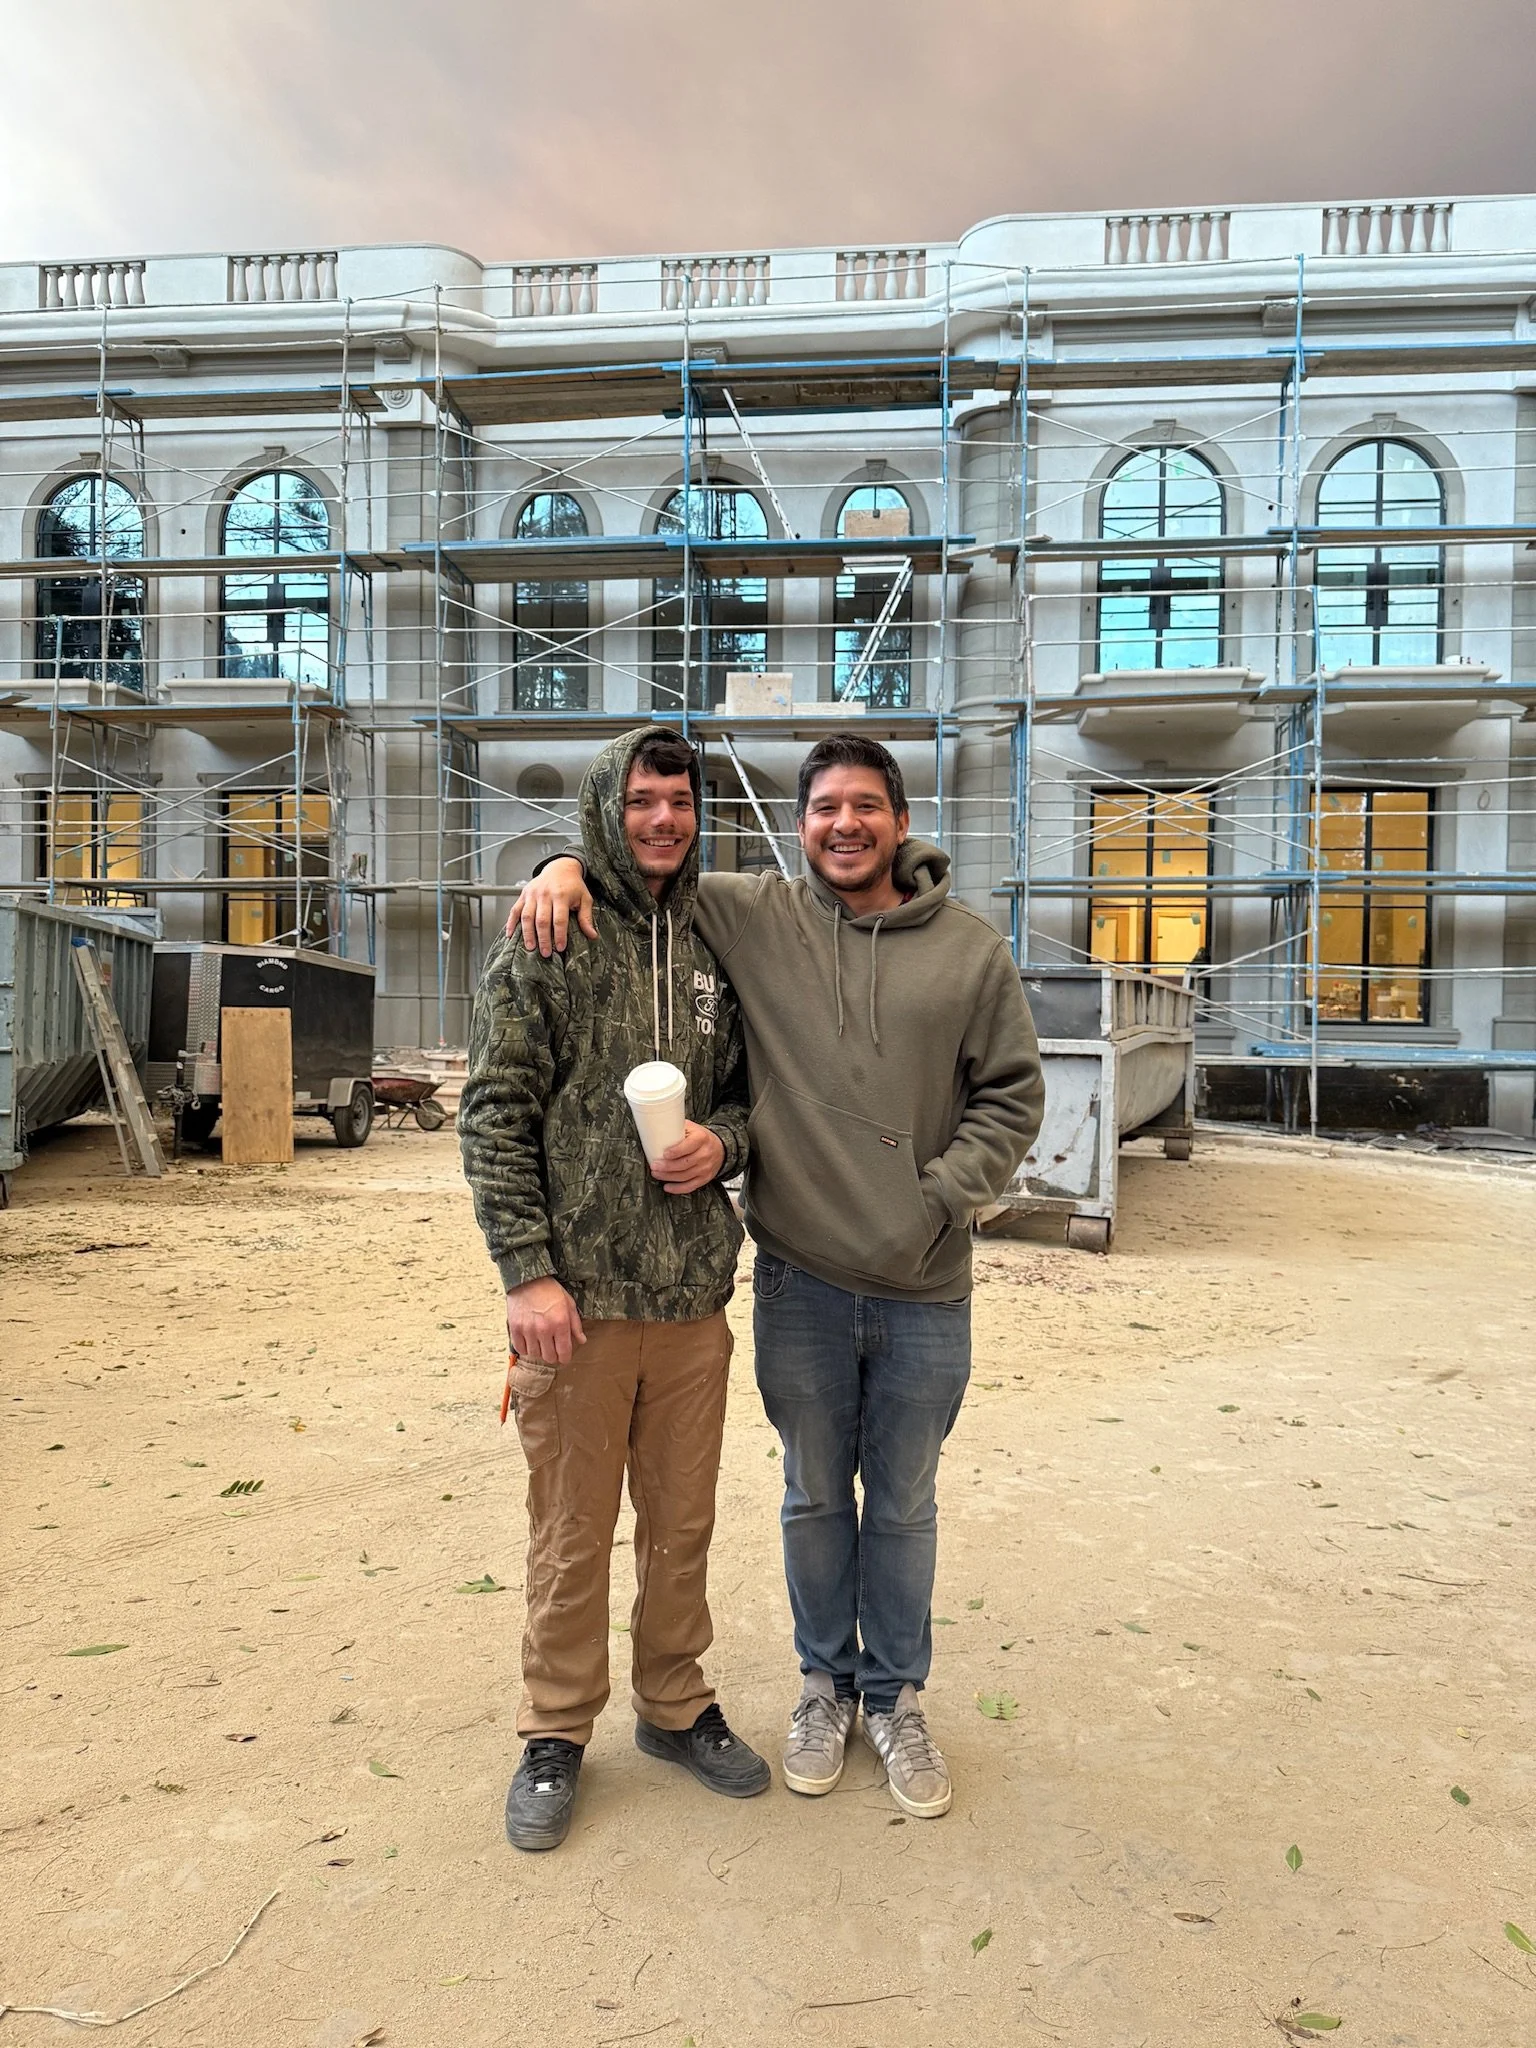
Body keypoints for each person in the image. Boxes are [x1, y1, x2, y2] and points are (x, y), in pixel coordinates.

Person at [510, 732, 1043, 1820]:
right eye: (822, 808)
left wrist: (938, 1195)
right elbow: (634, 872)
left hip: (918, 1284)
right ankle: (806, 1686)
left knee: (895, 1503)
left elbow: (1011, 1097)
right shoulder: (751, 914)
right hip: (793, 1281)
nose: (843, 824)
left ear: (900, 817)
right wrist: (552, 865)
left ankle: (887, 1695)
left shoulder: (971, 951)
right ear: (797, 826)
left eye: (864, 805)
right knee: (797, 1499)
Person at [460, 726, 770, 1854]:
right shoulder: (551, 932)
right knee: (571, 1528)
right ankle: (554, 1729)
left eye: (680, 799)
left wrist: (723, 1147)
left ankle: (677, 1704)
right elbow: (493, 1112)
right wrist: (526, 1272)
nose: (663, 819)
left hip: (691, 1295)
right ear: (608, 805)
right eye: (642, 798)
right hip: (575, 1305)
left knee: (680, 1522)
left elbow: (749, 1097)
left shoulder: (717, 940)